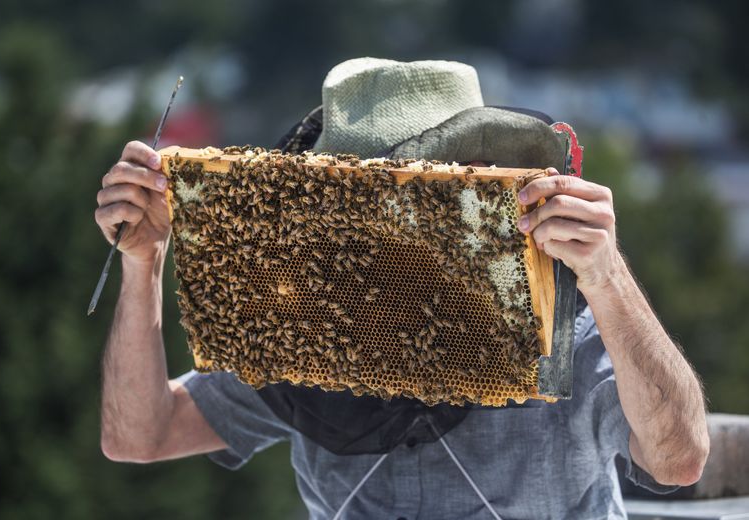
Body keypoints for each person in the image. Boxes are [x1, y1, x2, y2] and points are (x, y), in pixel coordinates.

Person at [94, 58, 709, 519]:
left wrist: (608, 278)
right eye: (369, 210)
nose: (395, 236)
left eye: (420, 206)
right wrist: (141, 263)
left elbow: (679, 456)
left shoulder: (559, 321)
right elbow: (140, 435)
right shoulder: (308, 321)